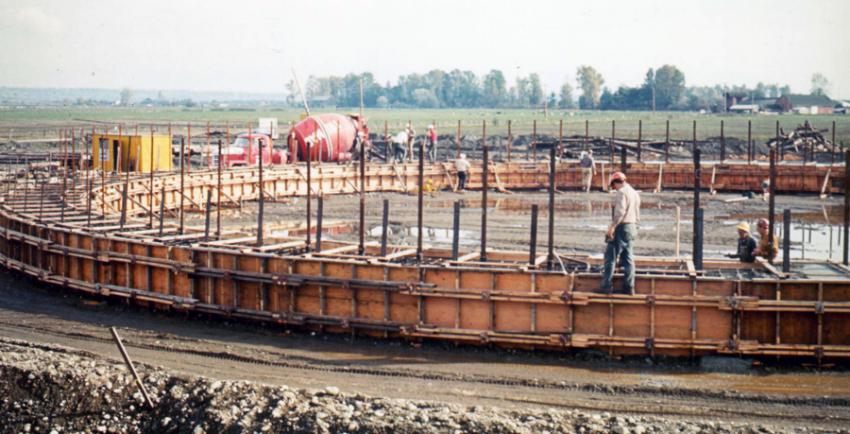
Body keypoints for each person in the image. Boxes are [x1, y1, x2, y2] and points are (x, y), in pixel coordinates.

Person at [599, 171, 641, 295]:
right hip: (632, 227)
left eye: (614, 186)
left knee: (610, 257)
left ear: (616, 183)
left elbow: (620, 213)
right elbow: (637, 214)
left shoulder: (621, 193)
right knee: (628, 258)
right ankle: (629, 288)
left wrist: (612, 227)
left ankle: (606, 287)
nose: (614, 188)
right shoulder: (634, 193)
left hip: (622, 227)